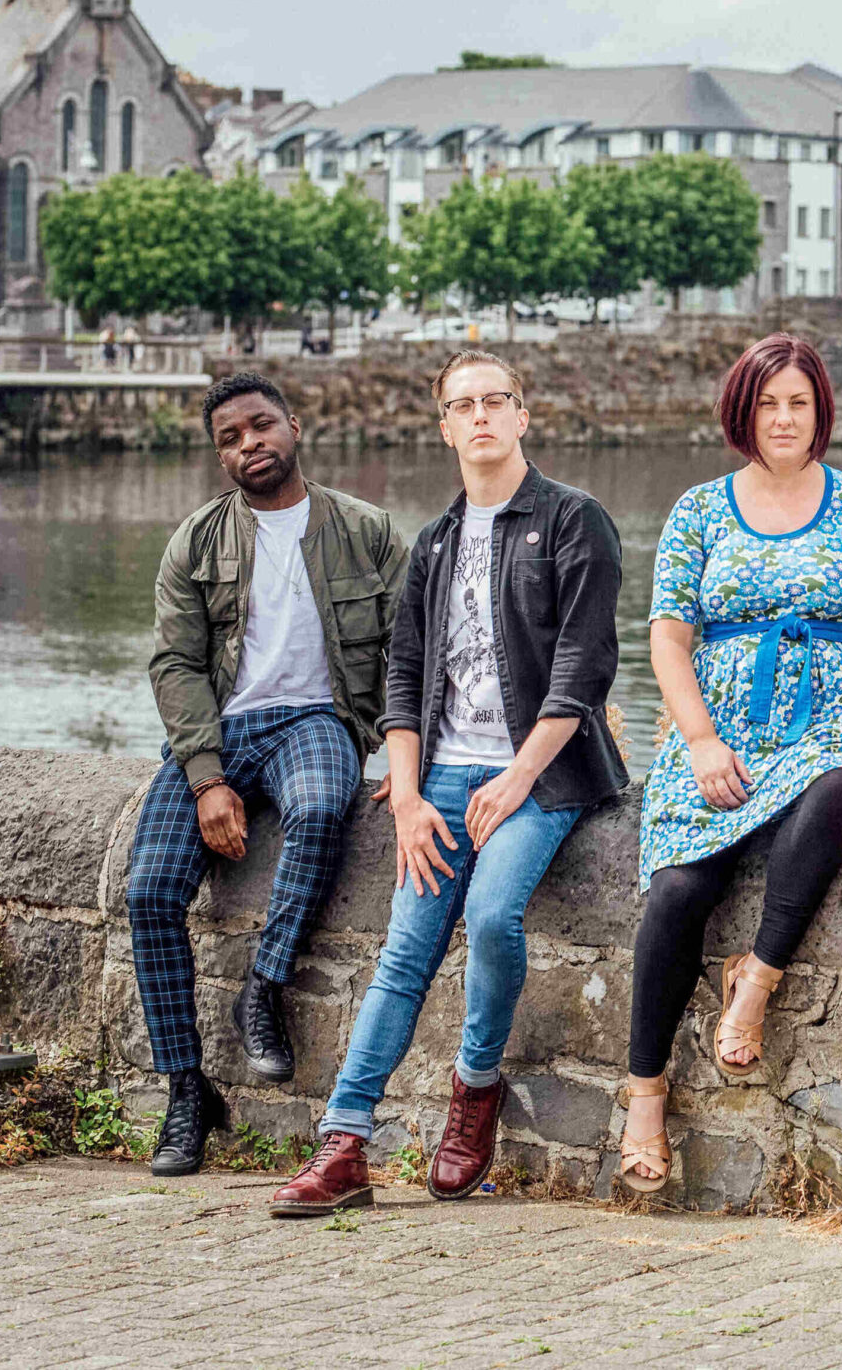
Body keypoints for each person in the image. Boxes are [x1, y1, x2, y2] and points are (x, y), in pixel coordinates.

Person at [271, 352, 627, 1218]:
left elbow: (582, 671)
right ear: (443, 425)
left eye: (494, 401)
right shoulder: (431, 543)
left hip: (543, 772)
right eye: (461, 405)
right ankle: (344, 1142)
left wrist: (516, 778)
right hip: (441, 774)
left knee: (492, 913)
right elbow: (402, 674)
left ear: (522, 415)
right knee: (404, 950)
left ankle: (474, 1094)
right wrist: (406, 794)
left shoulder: (575, 520)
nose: (479, 417)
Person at [617, 334, 842, 1193]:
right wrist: (703, 740)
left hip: (834, 713)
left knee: (840, 787)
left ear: (821, 410)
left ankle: (757, 978)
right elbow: (667, 640)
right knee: (678, 891)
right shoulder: (700, 510)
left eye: (799, 403)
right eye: (768, 403)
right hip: (722, 721)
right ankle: (645, 1096)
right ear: (742, 412)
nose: (784, 419)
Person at [130, 373, 408, 1177]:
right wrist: (208, 777)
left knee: (324, 805)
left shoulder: (366, 529)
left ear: (294, 423)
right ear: (220, 453)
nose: (248, 443)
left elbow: (408, 653)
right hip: (217, 732)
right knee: (150, 889)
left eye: (260, 426)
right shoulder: (195, 541)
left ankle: (266, 983)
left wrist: (403, 751)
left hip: (316, 720)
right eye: (229, 437)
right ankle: (187, 1092)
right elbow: (176, 664)